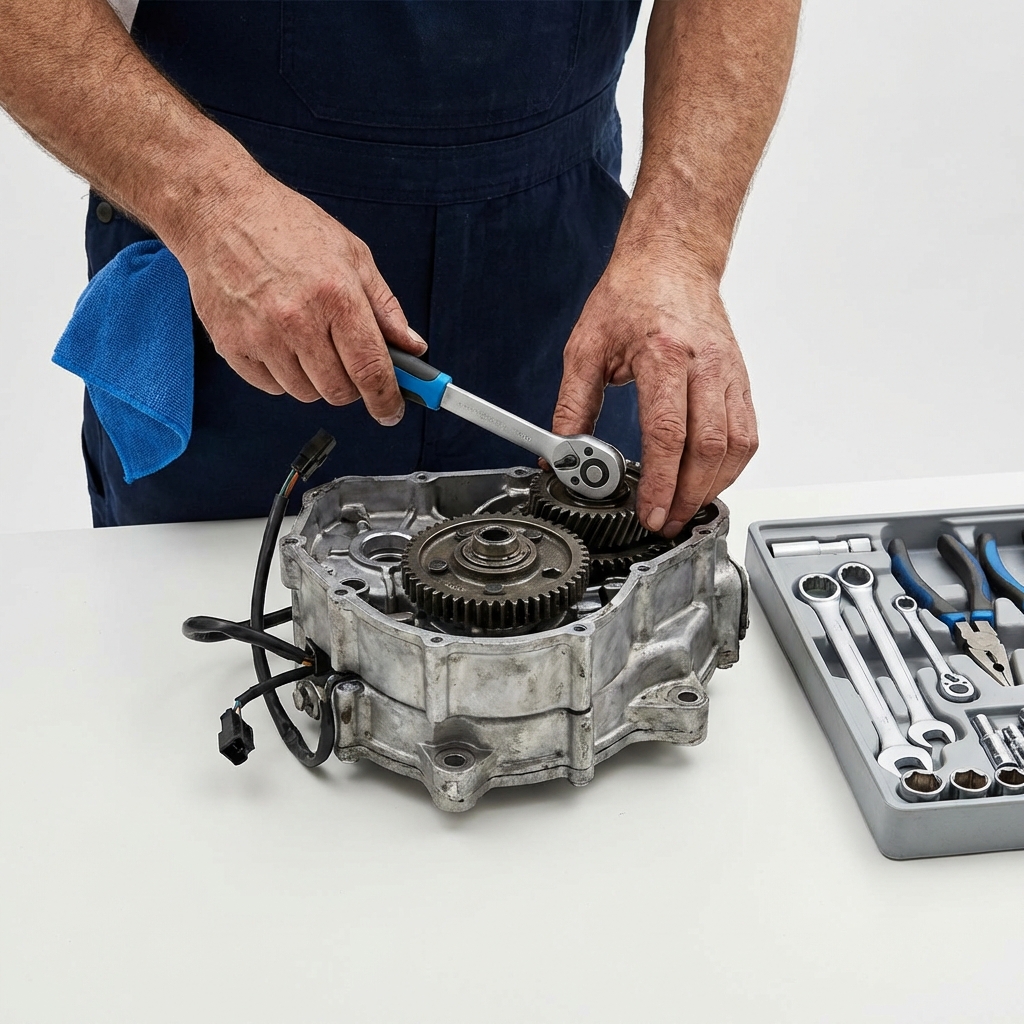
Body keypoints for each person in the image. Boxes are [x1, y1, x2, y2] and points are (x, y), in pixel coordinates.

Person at [0, 0, 800, 531]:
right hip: (236, 315)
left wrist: (679, 249)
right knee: (211, 712)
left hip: (567, 297)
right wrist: (212, 208)